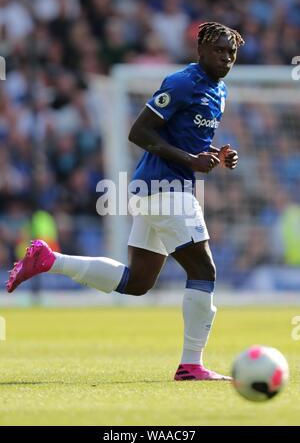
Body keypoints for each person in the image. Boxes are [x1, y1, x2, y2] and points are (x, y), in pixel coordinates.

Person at [6, 22, 244, 381]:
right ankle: (191, 365)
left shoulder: (219, 90)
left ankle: (49, 259)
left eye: (232, 52)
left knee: (138, 283)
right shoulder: (182, 83)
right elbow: (139, 131)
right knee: (204, 271)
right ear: (201, 50)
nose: (227, 57)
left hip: (160, 189)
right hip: (166, 189)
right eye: (220, 50)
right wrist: (191, 161)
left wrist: (213, 155)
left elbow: (183, 140)